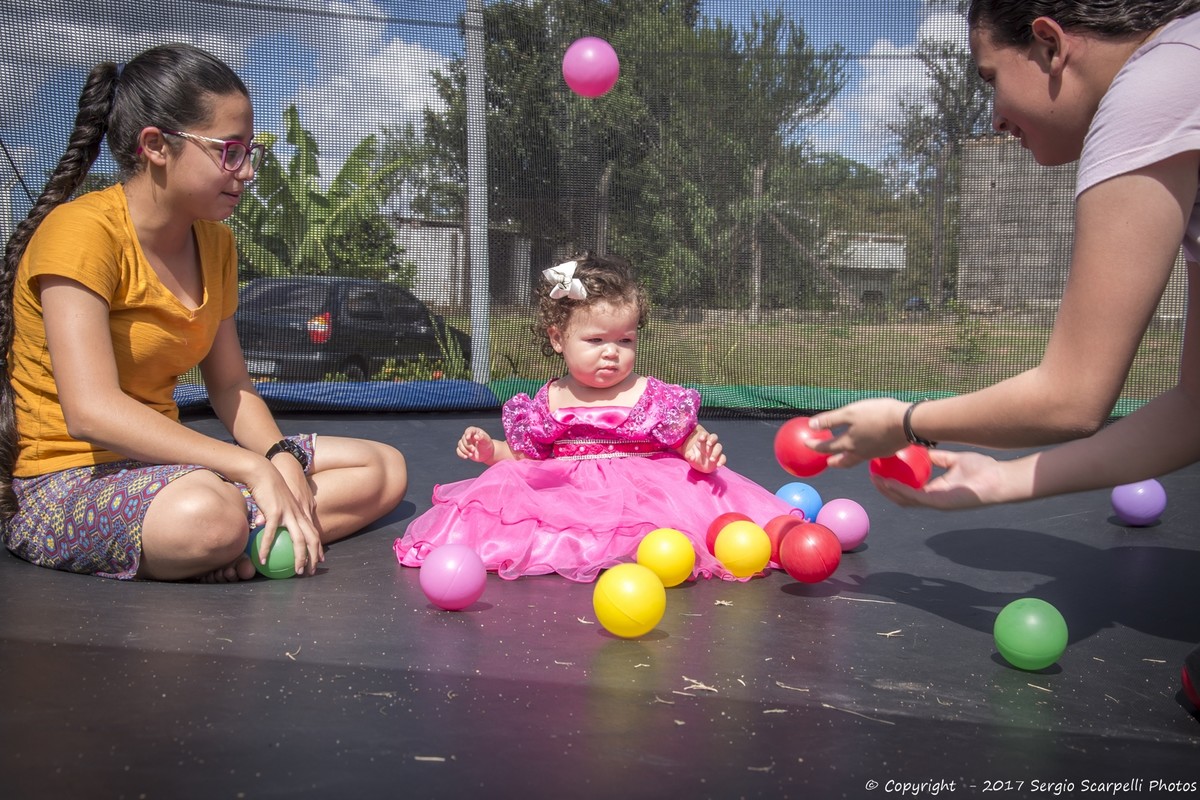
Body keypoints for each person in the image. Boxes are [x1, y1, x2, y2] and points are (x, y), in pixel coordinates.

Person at [810, 0, 1200, 706]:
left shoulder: (1157, 85)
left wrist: (903, 422)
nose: (993, 116)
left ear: (1049, 43)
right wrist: (999, 480)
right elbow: (1197, 409)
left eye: (991, 78)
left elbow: (1072, 397)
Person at [0, 43, 408, 583]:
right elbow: (91, 411)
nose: (247, 171)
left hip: (171, 470)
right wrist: (247, 466)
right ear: (156, 146)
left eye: (250, 152)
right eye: (229, 151)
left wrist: (278, 454)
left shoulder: (215, 245)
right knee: (206, 515)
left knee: (382, 468)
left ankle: (245, 542)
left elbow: (231, 385)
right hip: (68, 484)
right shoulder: (82, 233)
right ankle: (237, 533)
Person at [394, 253, 800, 582]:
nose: (612, 352)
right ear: (558, 338)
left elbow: (687, 436)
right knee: (528, 513)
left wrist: (699, 454)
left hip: (650, 496)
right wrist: (490, 451)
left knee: (686, 530)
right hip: (570, 495)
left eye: (625, 340)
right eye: (596, 340)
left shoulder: (651, 394)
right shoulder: (549, 399)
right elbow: (526, 459)